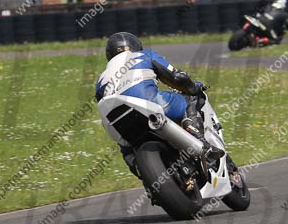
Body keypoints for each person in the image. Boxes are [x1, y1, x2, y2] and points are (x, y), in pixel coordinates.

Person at [95, 32, 222, 178]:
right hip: (148, 102)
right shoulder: (144, 55)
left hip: (116, 120)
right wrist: (193, 88)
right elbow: (176, 77)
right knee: (189, 99)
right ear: (136, 46)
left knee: (125, 146)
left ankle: (140, 171)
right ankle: (202, 143)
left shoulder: (100, 80)